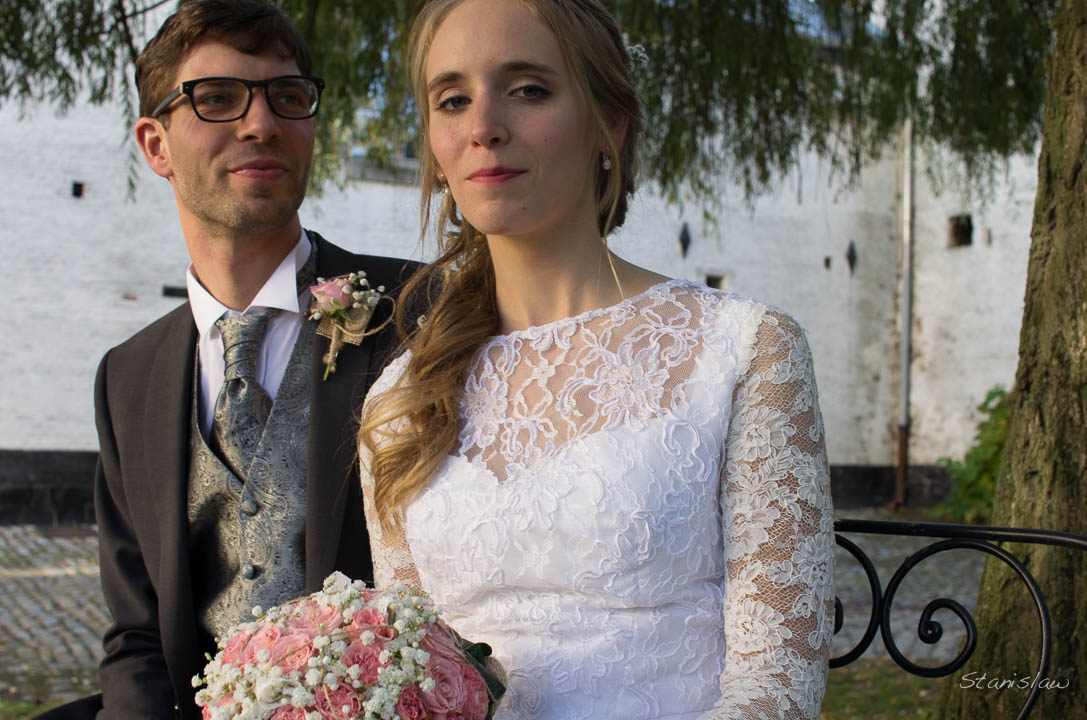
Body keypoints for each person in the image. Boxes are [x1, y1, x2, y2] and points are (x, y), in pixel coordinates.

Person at [357, 0, 835, 718]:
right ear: (433, 146)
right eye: (452, 100)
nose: (484, 126)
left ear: (608, 126)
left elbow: (778, 677)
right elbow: (406, 673)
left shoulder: (741, 347)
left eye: (528, 89)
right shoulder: (397, 400)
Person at [37, 2, 415, 718]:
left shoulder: (418, 311)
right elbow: (140, 639)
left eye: (288, 97)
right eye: (215, 99)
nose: (260, 124)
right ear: (156, 146)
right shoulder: (129, 376)